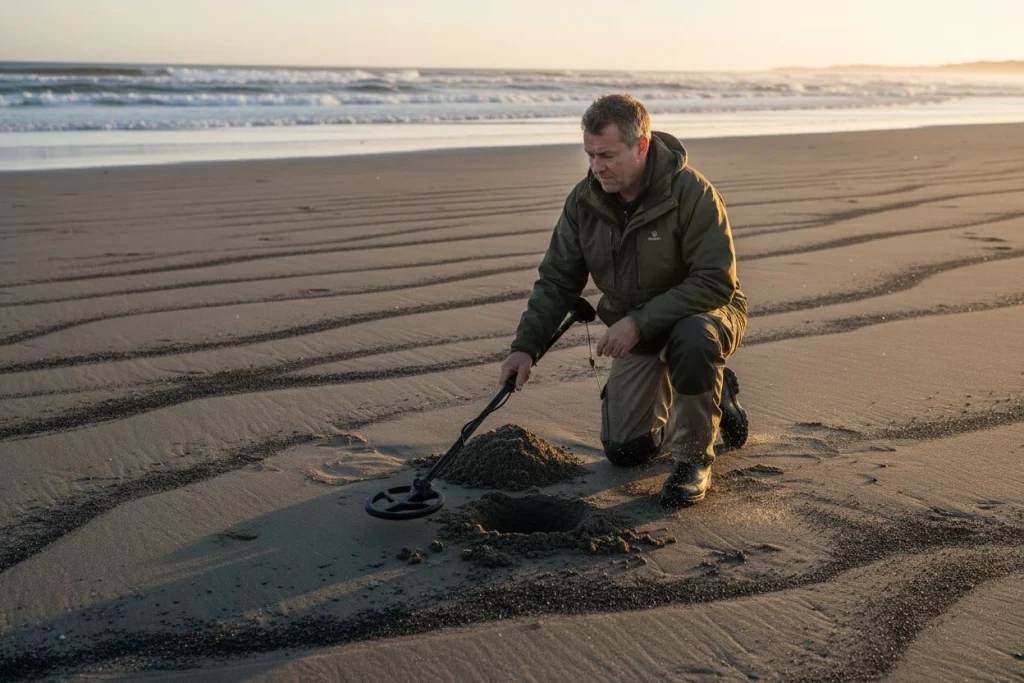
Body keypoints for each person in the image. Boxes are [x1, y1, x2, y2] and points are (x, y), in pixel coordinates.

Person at [498, 93, 748, 507]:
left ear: (641, 147)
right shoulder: (584, 201)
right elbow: (558, 280)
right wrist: (525, 348)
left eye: (608, 155)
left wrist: (636, 324)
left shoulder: (693, 193)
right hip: (639, 327)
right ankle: (710, 395)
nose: (597, 166)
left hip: (705, 313)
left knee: (693, 338)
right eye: (590, 155)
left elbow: (715, 281)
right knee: (626, 451)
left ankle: (693, 460)